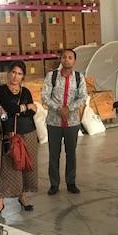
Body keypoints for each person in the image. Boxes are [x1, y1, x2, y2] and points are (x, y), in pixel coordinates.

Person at [0, 60, 38, 218]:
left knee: (26, 165)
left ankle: (23, 196)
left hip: (29, 132)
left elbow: (33, 112)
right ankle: (0, 202)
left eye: (19, 74)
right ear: (8, 73)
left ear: (23, 76)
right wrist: (25, 108)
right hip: (11, 133)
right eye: (13, 72)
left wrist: (22, 110)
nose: (15, 76)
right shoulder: (2, 90)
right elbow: (10, 109)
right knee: (9, 167)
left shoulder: (26, 92)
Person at [41, 48, 89, 195]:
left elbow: (82, 97)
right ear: (60, 60)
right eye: (64, 57)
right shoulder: (52, 76)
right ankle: (54, 184)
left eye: (70, 57)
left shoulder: (79, 77)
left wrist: (68, 108)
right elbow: (44, 96)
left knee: (71, 153)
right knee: (54, 154)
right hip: (54, 122)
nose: (67, 60)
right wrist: (58, 109)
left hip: (72, 122)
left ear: (74, 61)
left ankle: (71, 183)